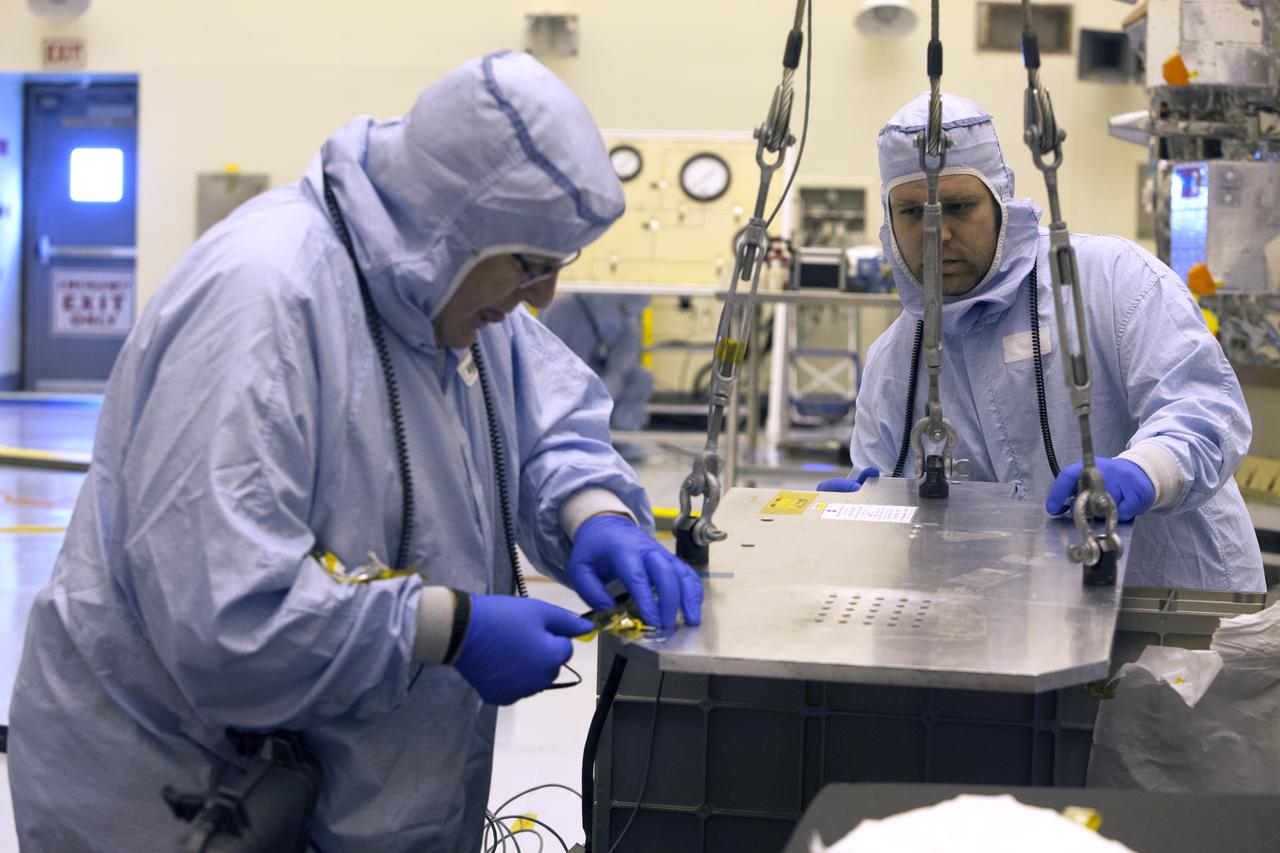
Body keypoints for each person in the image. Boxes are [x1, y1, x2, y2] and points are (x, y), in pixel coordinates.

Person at [9, 51, 702, 852]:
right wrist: (452, 626)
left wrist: (594, 514)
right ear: (455, 224)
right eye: (531, 264)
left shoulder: (452, 290)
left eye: (559, 265)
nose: (542, 297)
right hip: (184, 796)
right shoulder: (264, 300)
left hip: (349, 788)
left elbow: (546, 419)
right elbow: (224, 617)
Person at [818, 92, 1263, 593]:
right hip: (1018, 630)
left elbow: (1206, 410)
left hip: (1172, 606)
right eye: (911, 212)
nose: (936, 233)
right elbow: (889, 499)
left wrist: (1145, 471)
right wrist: (863, 515)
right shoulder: (895, 360)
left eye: (959, 207)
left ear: (1001, 203)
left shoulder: (1109, 281)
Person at [539, 292, 655, 459]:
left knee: (642, 377)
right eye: (623, 309)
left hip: (602, 385)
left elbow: (621, 369)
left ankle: (621, 439)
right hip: (563, 384)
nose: (627, 316)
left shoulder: (627, 322)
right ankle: (568, 436)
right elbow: (547, 364)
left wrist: (601, 395)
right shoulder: (561, 312)